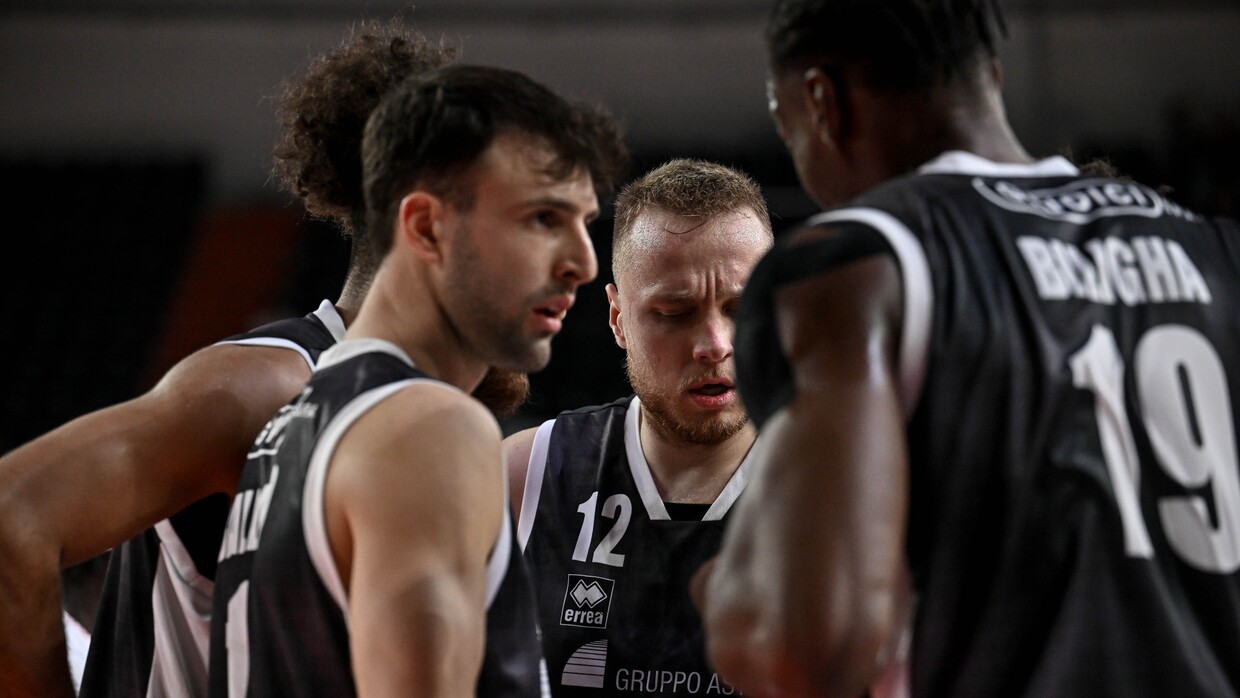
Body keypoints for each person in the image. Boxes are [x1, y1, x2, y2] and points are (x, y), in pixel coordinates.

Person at [696, 0, 1240, 696]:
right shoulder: (1217, 252)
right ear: (991, 78)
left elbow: (801, 651)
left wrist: (726, 585)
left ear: (820, 101)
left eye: (783, 116)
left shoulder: (856, 267)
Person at [0, 20, 527, 698]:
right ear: (430, 225)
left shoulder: (444, 427)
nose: (568, 261)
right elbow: (13, 519)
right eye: (532, 219)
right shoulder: (270, 382)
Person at [206, 63, 627, 696]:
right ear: (427, 226)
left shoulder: (299, 422)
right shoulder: (427, 428)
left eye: (583, 221)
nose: (583, 263)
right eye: (544, 218)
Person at [505, 158, 770, 696]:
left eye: (741, 307)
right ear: (618, 318)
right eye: (675, 312)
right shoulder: (522, 475)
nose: (715, 344)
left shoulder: (843, 486)